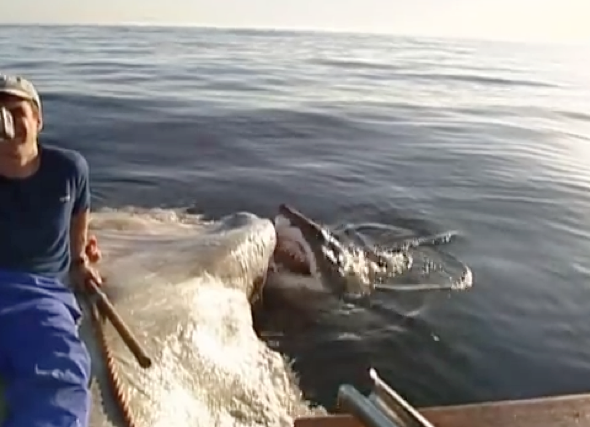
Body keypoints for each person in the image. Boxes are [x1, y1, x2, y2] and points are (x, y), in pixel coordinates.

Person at [0, 74, 102, 427]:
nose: (6, 122)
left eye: (16, 111)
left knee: (59, 376)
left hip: (39, 295)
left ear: (38, 120)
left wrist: (79, 258)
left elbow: (79, 210)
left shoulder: (69, 169)